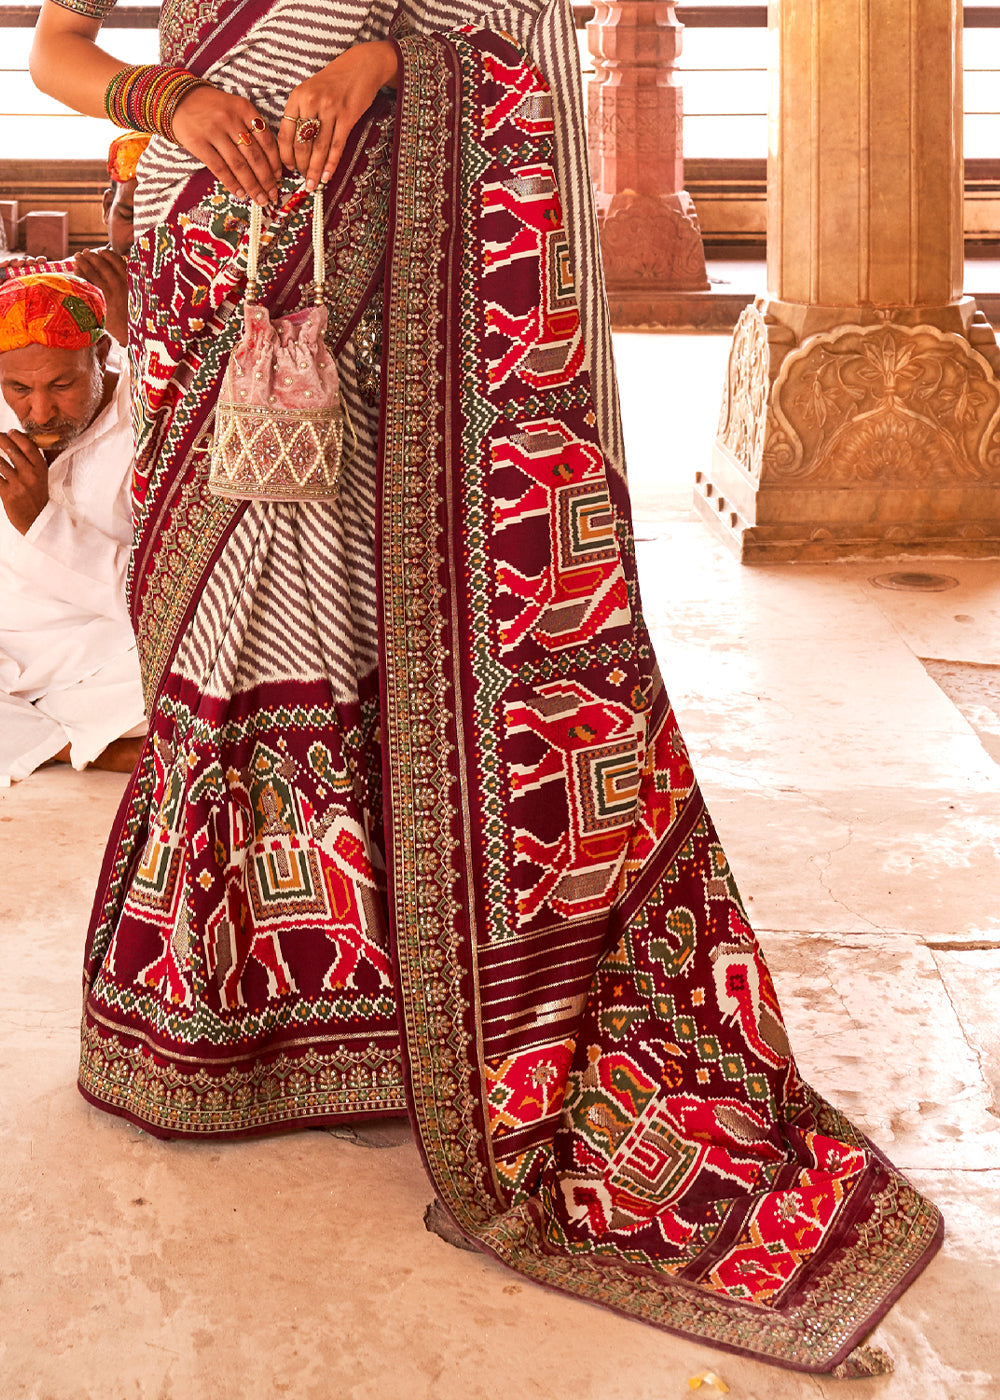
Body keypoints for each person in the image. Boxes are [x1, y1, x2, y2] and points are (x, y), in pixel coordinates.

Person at [28, 0, 941, 1375]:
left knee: (378, 616)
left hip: (398, 233)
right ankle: (227, 1003)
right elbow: (58, 46)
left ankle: (399, 1001)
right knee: (214, 627)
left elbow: (510, 15)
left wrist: (381, 56)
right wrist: (164, 103)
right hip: (204, 261)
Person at [0, 271, 145, 781]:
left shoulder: (147, 423)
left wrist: (42, 523)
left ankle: (44, 734)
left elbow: (158, 592)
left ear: (102, 353)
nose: (39, 411)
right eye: (18, 387)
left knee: (203, 672)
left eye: (62, 384)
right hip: (8, 644)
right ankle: (81, 747)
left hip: (106, 653)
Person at [0, 131, 149, 343]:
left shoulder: (199, 294)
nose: (141, 236)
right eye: (129, 216)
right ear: (107, 208)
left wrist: (126, 330)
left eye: (159, 225)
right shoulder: (75, 278)